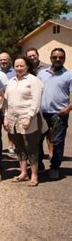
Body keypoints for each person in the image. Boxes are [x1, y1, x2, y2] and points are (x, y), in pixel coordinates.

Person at [3, 56, 43, 187]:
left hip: (28, 119)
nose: (19, 68)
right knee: (19, 148)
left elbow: (36, 101)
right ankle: (23, 173)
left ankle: (34, 175)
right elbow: (6, 102)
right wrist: (5, 117)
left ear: (27, 66)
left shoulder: (33, 80)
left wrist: (29, 117)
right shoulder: (11, 81)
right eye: (16, 66)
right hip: (13, 120)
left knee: (31, 148)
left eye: (22, 66)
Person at [37, 48, 71, 180]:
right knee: (37, 140)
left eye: (61, 57)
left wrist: (68, 109)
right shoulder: (41, 73)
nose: (58, 59)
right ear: (51, 58)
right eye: (55, 57)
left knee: (57, 142)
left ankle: (55, 167)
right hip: (41, 113)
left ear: (64, 59)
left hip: (59, 114)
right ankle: (39, 165)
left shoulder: (68, 75)